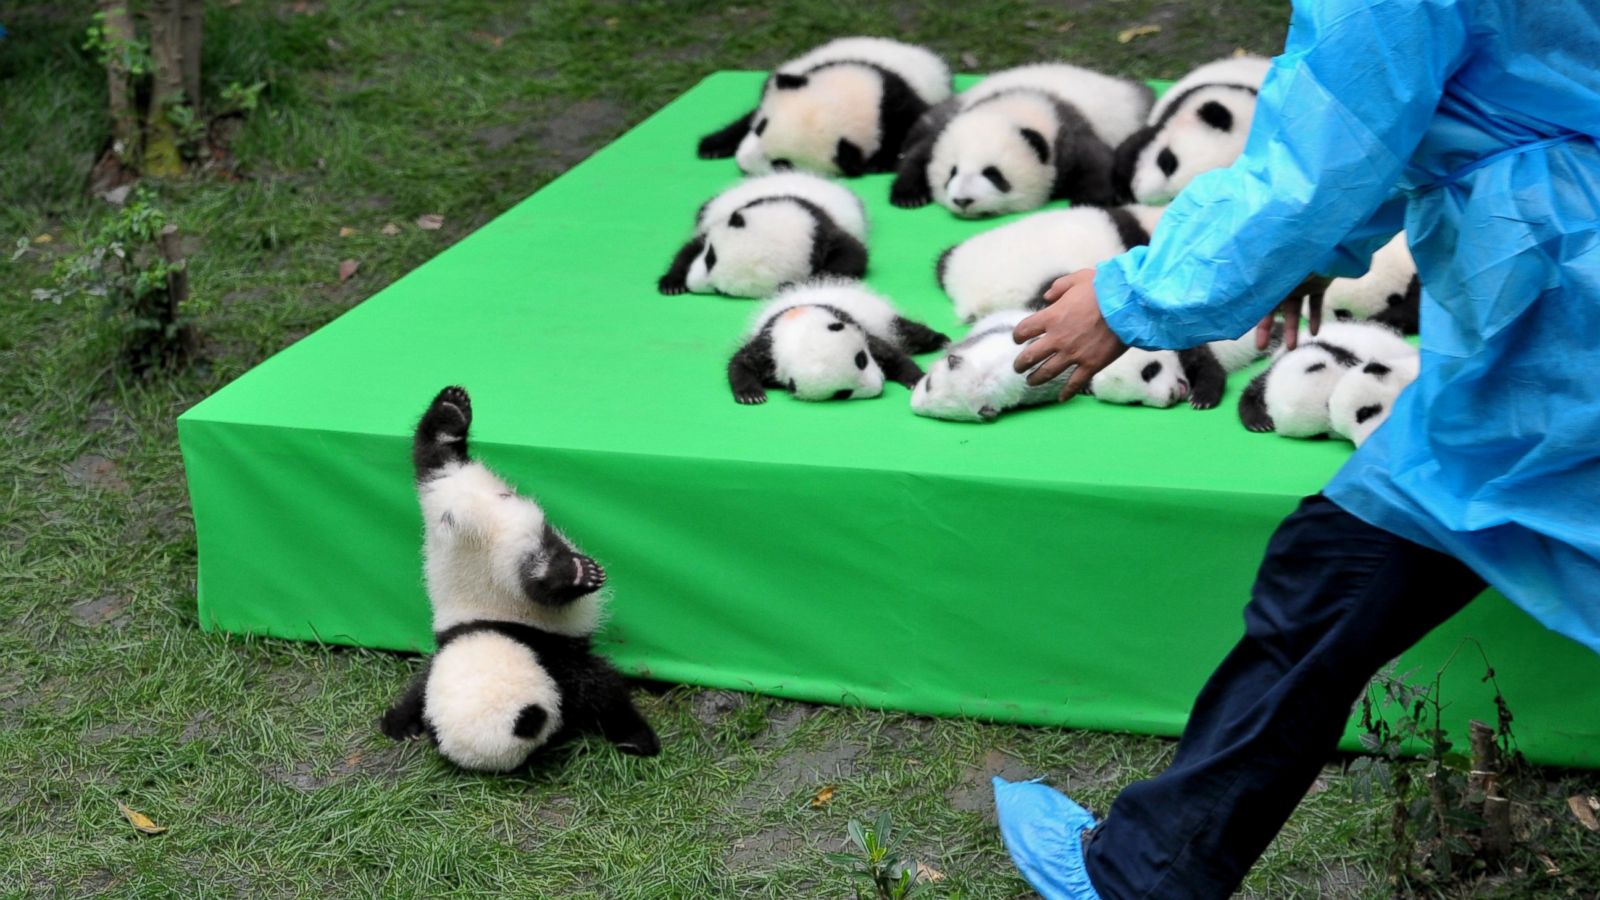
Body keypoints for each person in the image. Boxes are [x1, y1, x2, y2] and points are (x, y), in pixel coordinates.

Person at [989, 1, 1600, 897]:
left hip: (1560, 309)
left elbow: (1325, 145)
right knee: (1337, 571)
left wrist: (1131, 297)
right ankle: (1146, 869)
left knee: (1335, 577)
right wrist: (1325, 245)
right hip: (1554, 291)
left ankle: (1144, 872)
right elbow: (1464, 88)